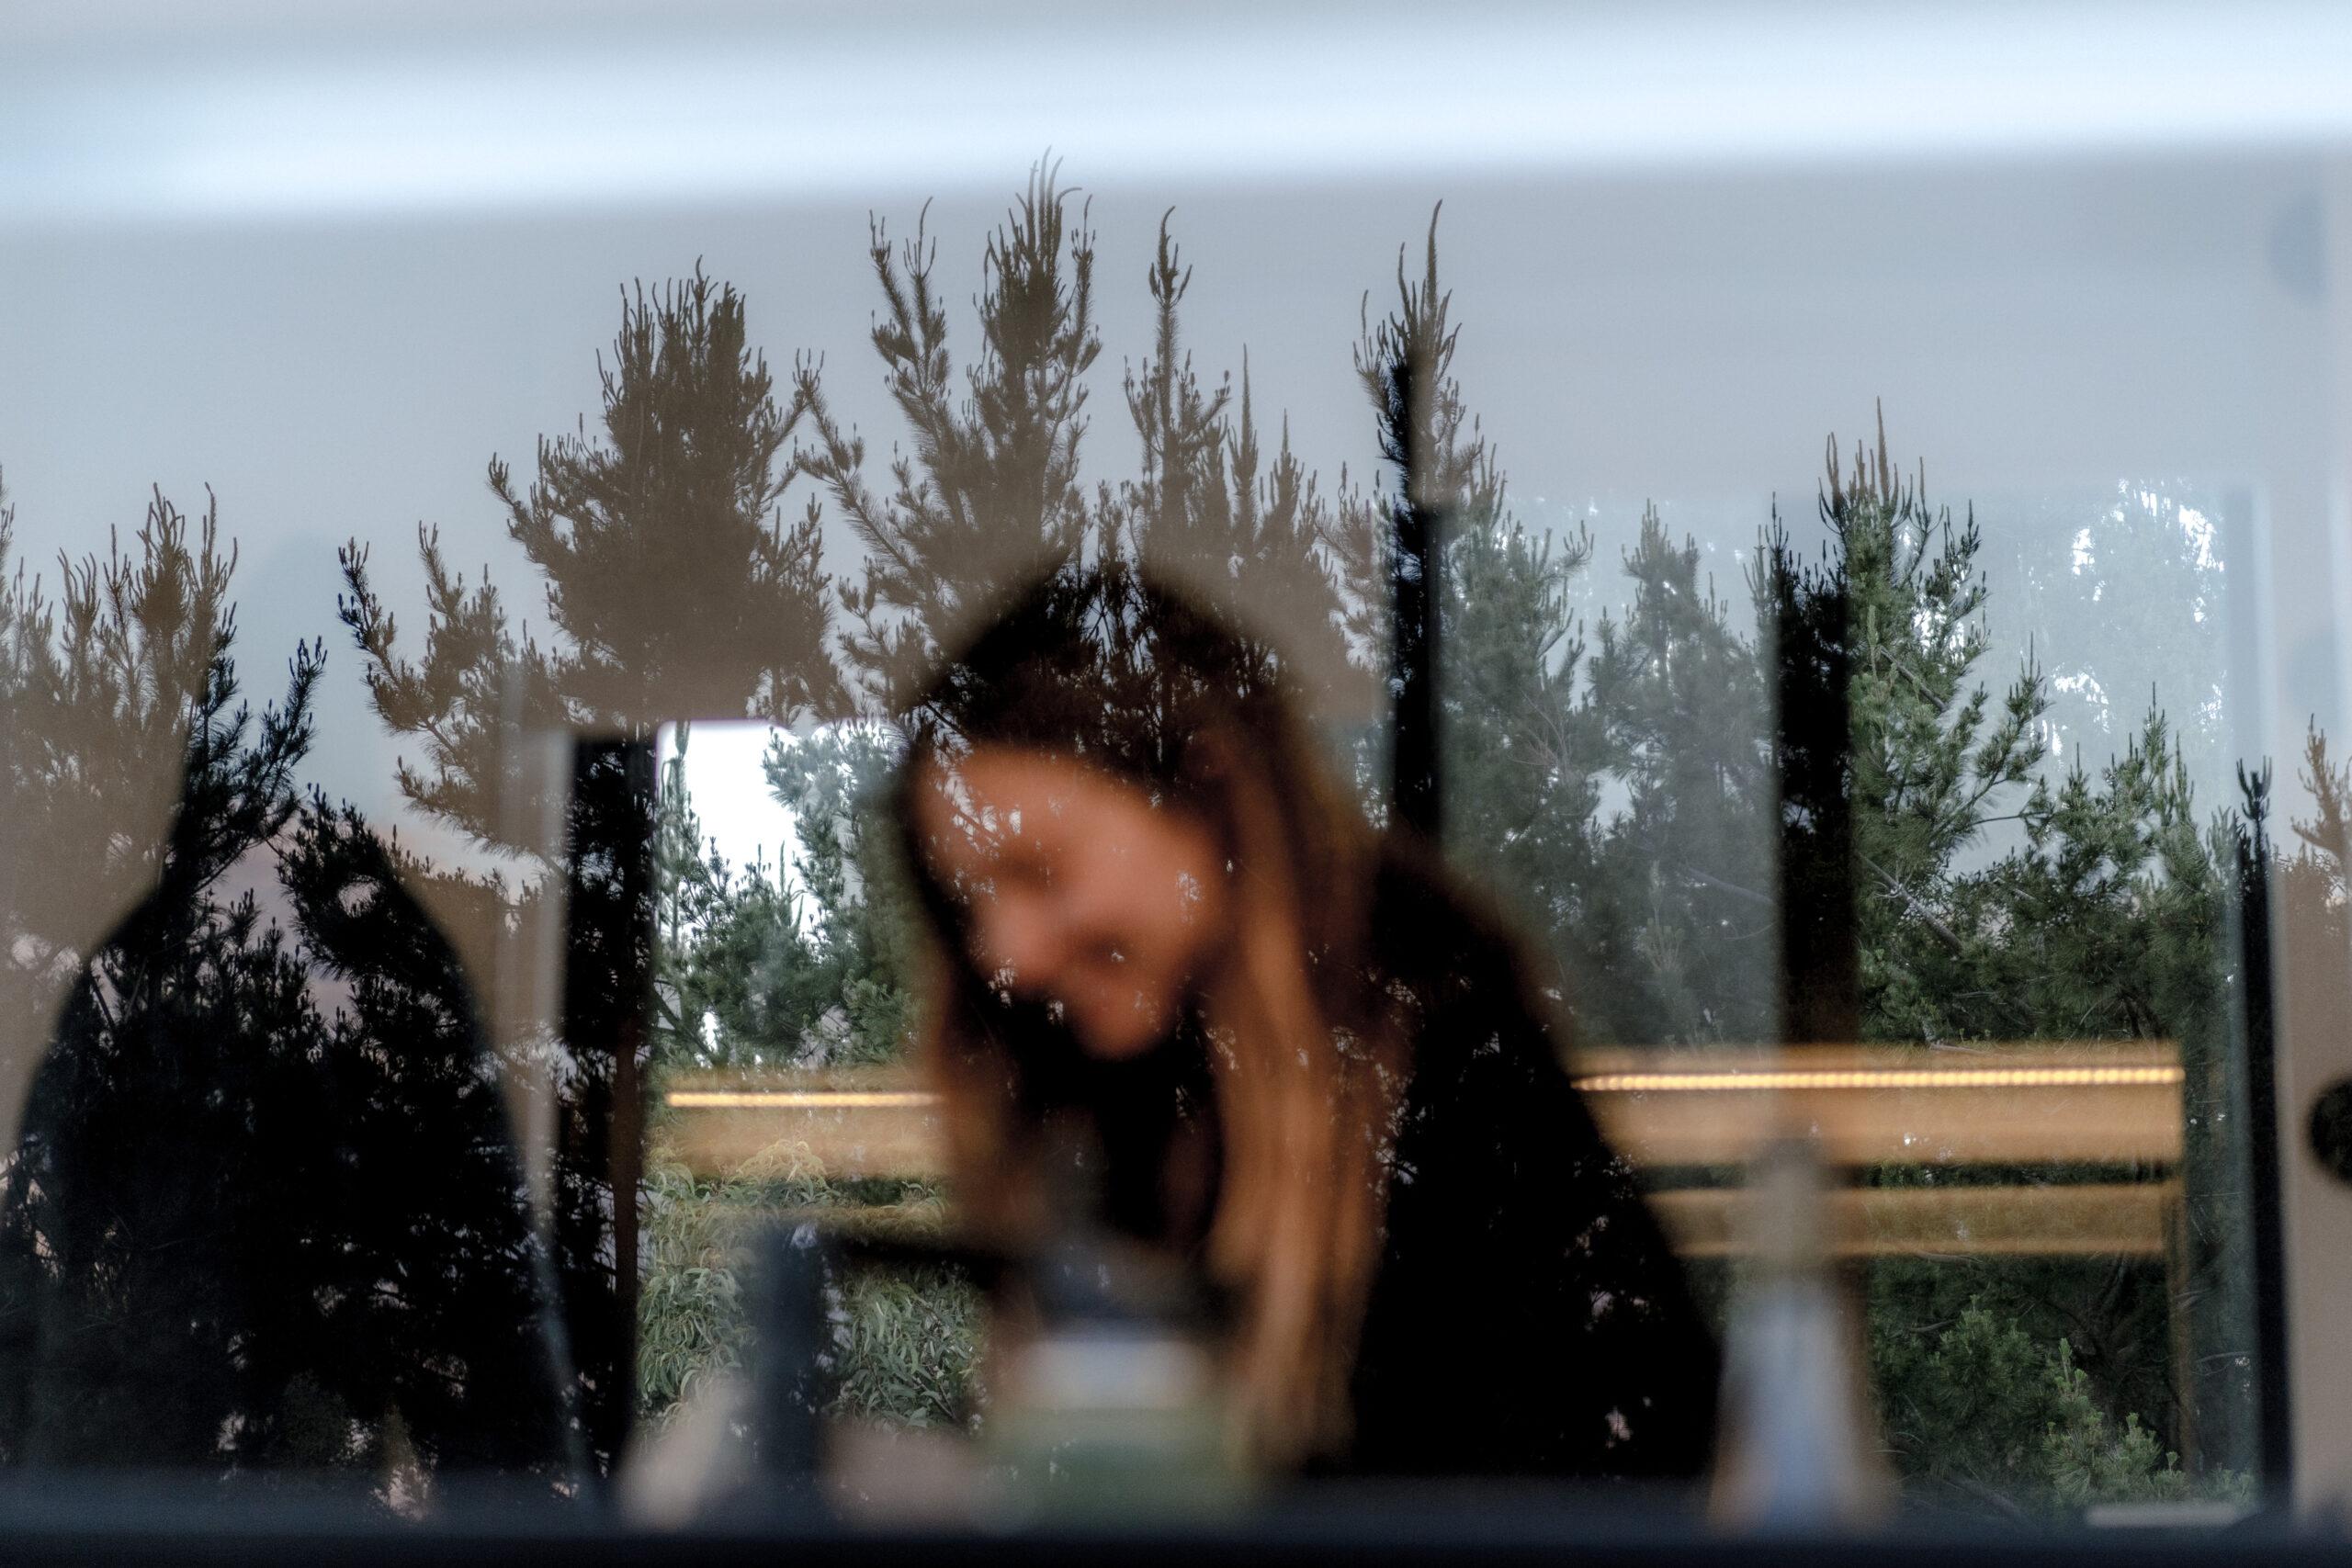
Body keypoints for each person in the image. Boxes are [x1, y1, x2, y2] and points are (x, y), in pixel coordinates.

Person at [892, 562, 1720, 1483]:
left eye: (1041, 871)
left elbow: (1633, 1459)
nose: (1006, 956)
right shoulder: (1095, 1122)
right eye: (969, 905)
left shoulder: (1455, 1093)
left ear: (1207, 797)